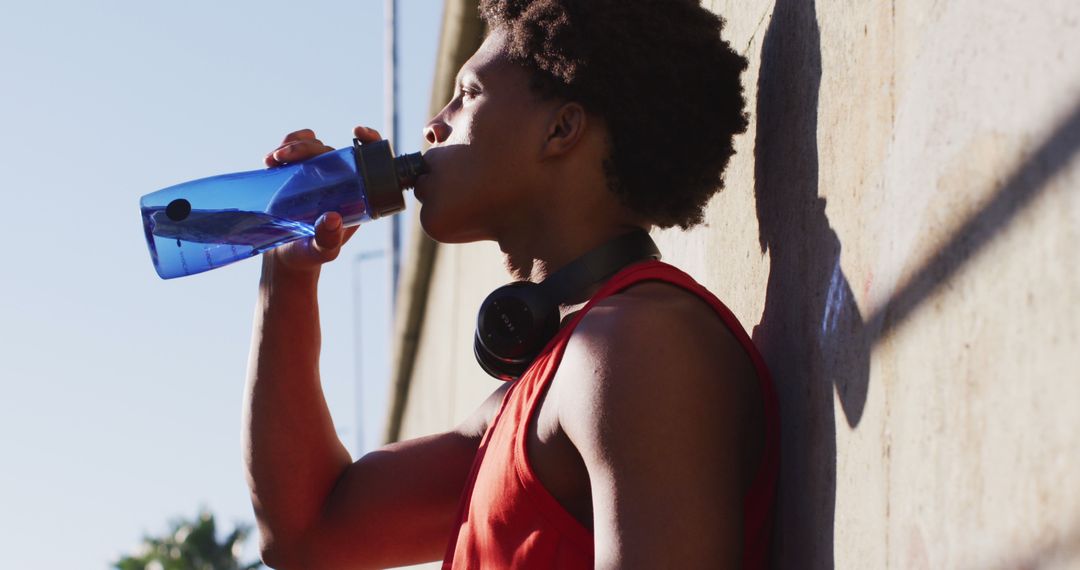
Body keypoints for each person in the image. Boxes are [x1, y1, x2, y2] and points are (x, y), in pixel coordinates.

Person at [243, 1, 779, 568]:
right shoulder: (557, 377)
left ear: (561, 128)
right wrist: (288, 274)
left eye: (468, 94)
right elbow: (305, 531)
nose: (433, 125)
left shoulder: (637, 345)